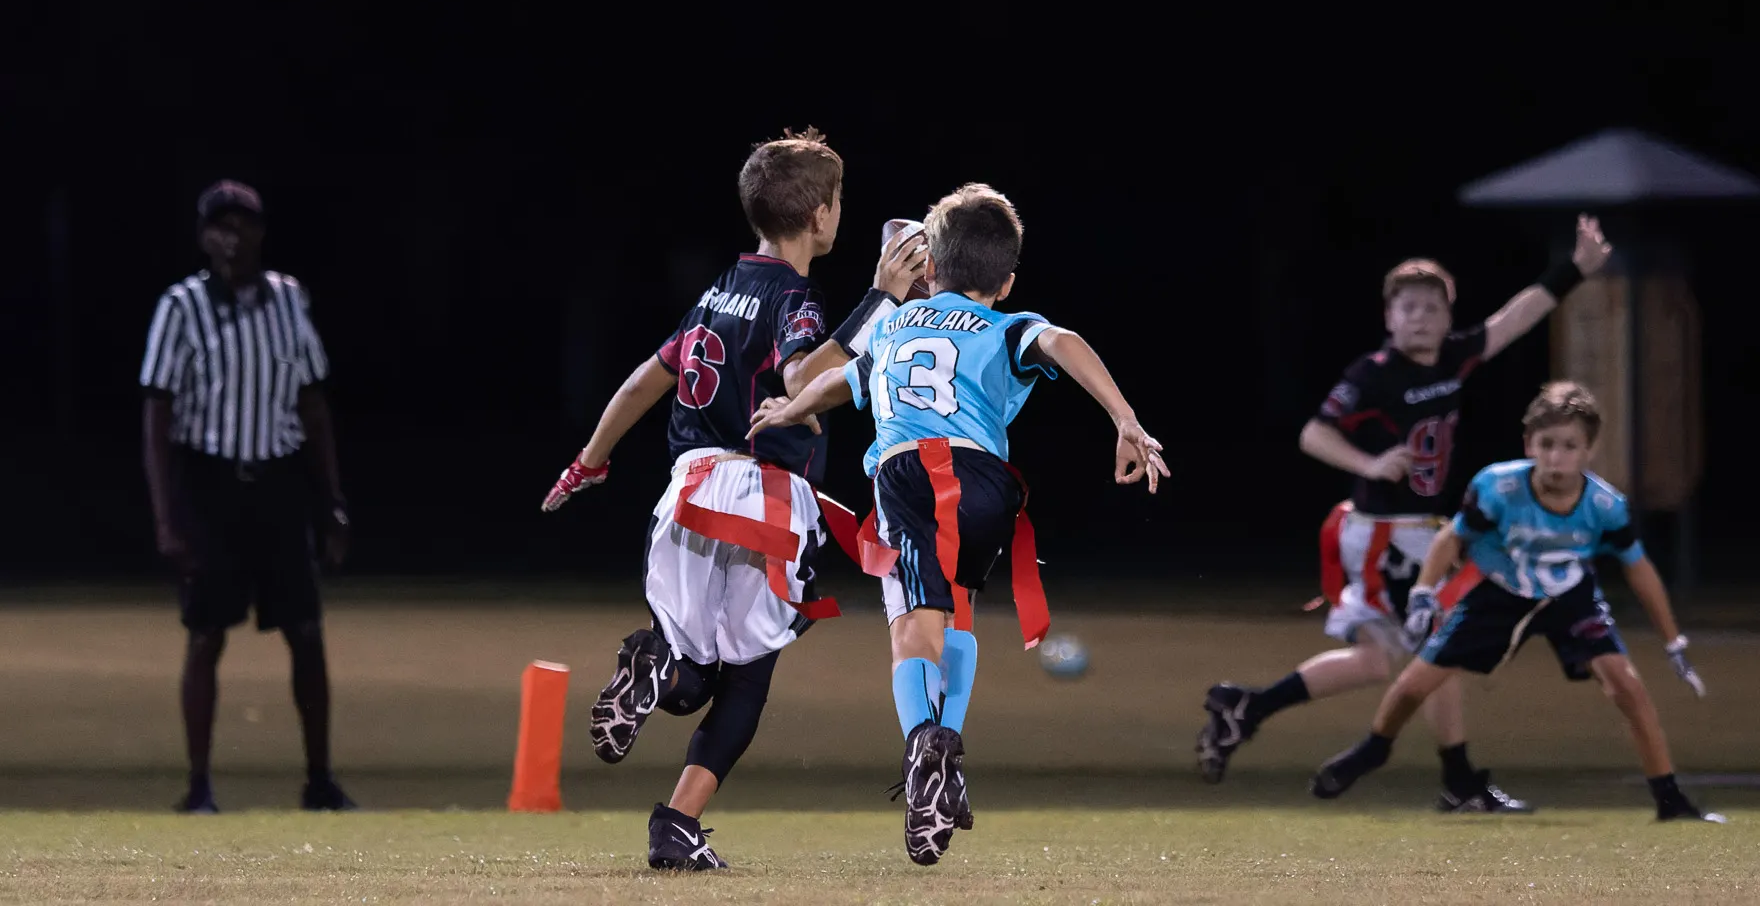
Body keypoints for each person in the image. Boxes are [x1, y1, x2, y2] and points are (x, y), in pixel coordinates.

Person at [540, 129, 929, 871]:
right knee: (751, 674)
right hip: (762, 498)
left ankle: (662, 720)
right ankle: (678, 815)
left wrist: (588, 463)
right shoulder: (795, 295)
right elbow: (801, 376)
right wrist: (882, 296)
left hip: (687, 493)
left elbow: (641, 382)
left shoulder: (722, 286)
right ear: (819, 215)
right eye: (838, 200)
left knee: (693, 683)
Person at [750, 183, 1168, 866]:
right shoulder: (1007, 325)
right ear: (1004, 282)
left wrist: (789, 411)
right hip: (986, 485)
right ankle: (944, 753)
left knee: (910, 621)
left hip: (912, 474)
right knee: (958, 612)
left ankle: (925, 755)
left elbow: (836, 383)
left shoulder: (892, 325)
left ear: (931, 271)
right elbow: (1062, 340)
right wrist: (1126, 418)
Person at [1196, 215, 1611, 811]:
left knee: (1379, 660)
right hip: (1384, 533)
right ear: (1389, 317)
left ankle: (1248, 706)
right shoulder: (1374, 374)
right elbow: (1314, 434)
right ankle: (1459, 781)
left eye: (1431, 307)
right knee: (1443, 647)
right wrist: (1367, 464)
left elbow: (1516, 318)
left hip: (1415, 533)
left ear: (1448, 315)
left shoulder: (1454, 357)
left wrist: (1574, 269)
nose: (1420, 316)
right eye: (1408, 306)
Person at [1311, 382, 1722, 822]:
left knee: (1627, 686)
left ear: (1589, 450)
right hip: (1500, 592)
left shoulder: (1605, 504)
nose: (1556, 457)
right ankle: (1374, 749)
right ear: (1529, 444)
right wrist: (1423, 592)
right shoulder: (1498, 486)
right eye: (1546, 445)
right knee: (1414, 685)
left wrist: (1672, 640)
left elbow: (1638, 568)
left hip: (1569, 596)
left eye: (1569, 446)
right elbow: (1453, 538)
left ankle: (1669, 798)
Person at [139, 180, 355, 814]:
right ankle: (199, 785)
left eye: (243, 225)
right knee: (206, 633)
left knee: (306, 632)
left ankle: (319, 780)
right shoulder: (181, 307)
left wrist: (331, 500)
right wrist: (167, 517)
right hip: (210, 485)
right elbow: (156, 415)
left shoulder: (288, 300)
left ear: (260, 233)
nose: (231, 237)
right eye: (219, 226)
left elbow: (312, 405)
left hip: (280, 482)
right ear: (204, 236)